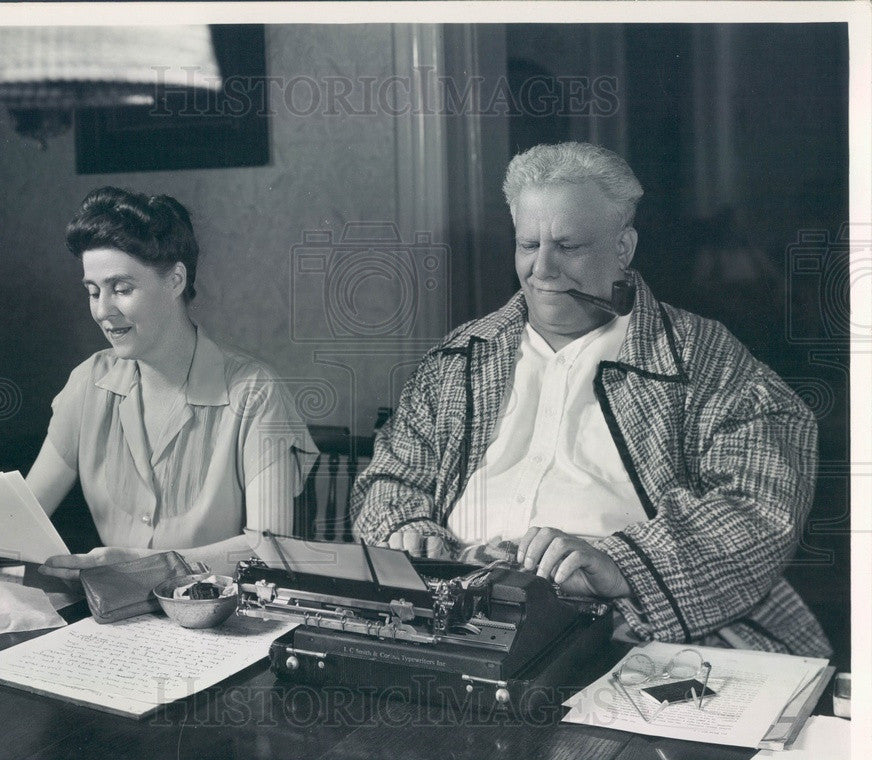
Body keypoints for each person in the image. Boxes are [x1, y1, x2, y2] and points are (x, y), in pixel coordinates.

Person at [351, 141, 831, 658]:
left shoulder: (705, 359)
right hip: (456, 623)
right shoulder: (458, 359)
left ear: (623, 249)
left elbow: (761, 505)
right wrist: (407, 530)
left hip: (632, 633)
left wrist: (621, 564)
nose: (543, 270)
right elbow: (389, 480)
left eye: (568, 246)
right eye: (528, 245)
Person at [0, 187, 316, 581]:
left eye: (122, 289)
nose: (103, 311)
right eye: (93, 291)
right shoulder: (88, 382)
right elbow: (25, 514)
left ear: (176, 279)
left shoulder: (255, 392)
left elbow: (269, 551)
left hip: (222, 620)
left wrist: (148, 563)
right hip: (113, 621)